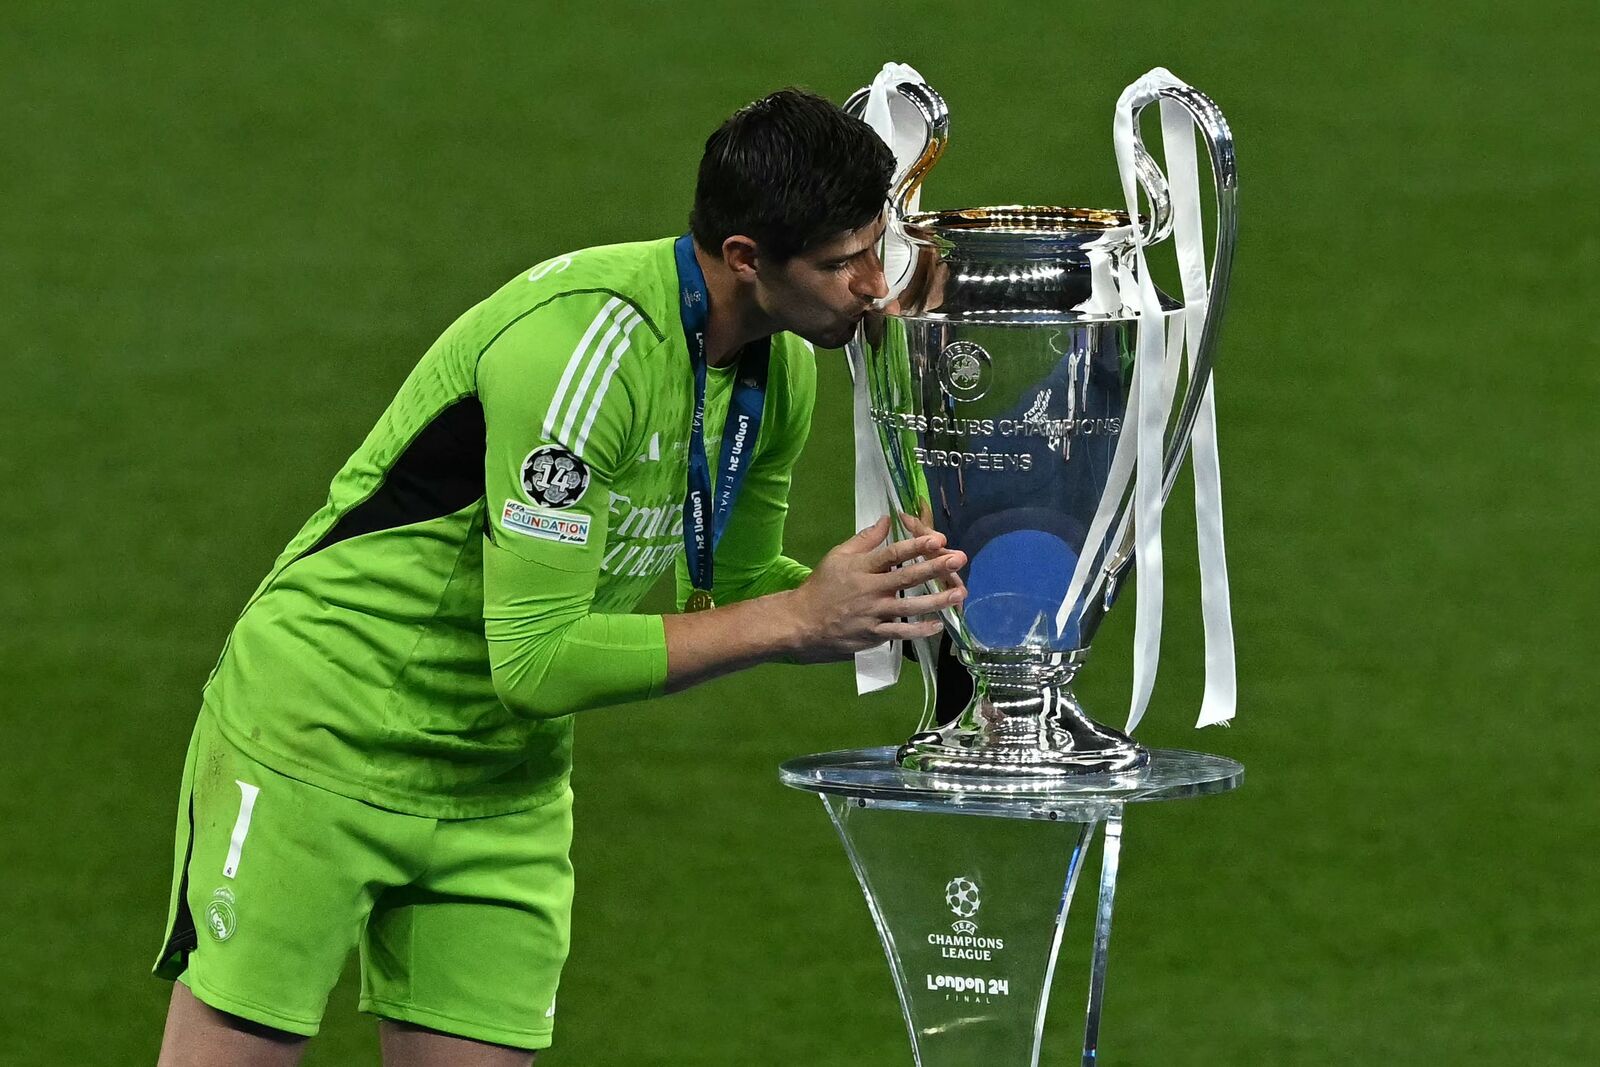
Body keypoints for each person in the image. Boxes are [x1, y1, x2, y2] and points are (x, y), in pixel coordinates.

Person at [151, 87, 967, 1066]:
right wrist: (801, 614)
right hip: (320, 743)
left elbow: (742, 583)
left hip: (502, 784)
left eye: (875, 249)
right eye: (841, 263)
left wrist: (886, 590)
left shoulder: (772, 370)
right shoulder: (585, 351)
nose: (874, 285)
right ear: (746, 259)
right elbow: (536, 660)